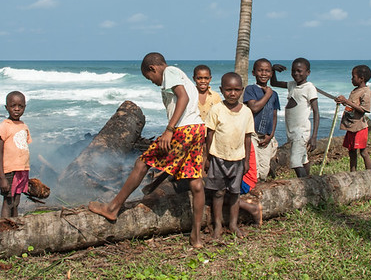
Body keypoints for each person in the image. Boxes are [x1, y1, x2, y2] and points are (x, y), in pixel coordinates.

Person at [89, 52, 207, 248]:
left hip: (184, 129)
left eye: (148, 77)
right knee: (195, 182)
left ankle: (112, 207)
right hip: (197, 129)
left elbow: (183, 97)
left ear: (153, 68)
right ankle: (196, 238)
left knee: (141, 163)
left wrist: (169, 130)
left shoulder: (169, 71)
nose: (151, 82)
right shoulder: (181, 75)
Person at [204, 72, 255, 238]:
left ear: (242, 90)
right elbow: (209, 135)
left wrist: (247, 160)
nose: (232, 93)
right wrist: (207, 157)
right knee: (218, 193)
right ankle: (217, 225)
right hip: (218, 157)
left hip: (238, 159)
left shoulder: (246, 112)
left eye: (236, 90)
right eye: (228, 90)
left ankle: (233, 225)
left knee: (234, 193)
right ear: (221, 90)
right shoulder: (217, 109)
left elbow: (247, 137)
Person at [271, 58, 319, 178]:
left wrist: (314, 137)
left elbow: (316, 112)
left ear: (308, 72)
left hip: (301, 131)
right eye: (293, 71)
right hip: (292, 131)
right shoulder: (292, 85)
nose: (296, 74)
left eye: (299, 71)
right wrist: (273, 70)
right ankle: (310, 182)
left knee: (295, 162)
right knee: (303, 159)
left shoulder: (309, 87)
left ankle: (304, 185)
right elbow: (274, 83)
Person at [0, 91, 31, 218]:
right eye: (13, 106)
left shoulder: (23, 126)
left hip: (22, 169)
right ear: (7, 107)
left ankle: (14, 225)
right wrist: (2, 178)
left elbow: (23, 147)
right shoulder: (3, 127)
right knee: (8, 201)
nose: (16, 109)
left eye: (20, 106)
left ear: (24, 107)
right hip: (9, 170)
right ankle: (5, 228)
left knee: (16, 201)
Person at [243, 58, 280, 181]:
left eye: (267, 71)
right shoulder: (250, 89)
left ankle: (261, 187)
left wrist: (271, 134)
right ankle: (252, 190)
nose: (264, 74)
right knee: (255, 167)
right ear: (254, 73)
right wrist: (267, 94)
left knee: (264, 169)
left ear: (271, 73)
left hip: (266, 136)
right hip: (252, 135)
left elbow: (274, 115)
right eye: (260, 70)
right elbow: (254, 107)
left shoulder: (274, 94)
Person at [336, 65, 371, 172]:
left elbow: (364, 109)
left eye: (353, 77)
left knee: (363, 152)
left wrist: (347, 101)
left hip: (359, 128)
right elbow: (352, 105)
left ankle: (369, 172)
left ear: (361, 79)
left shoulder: (366, 92)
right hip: (351, 127)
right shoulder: (355, 90)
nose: (351, 79)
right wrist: (343, 102)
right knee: (351, 151)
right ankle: (353, 173)